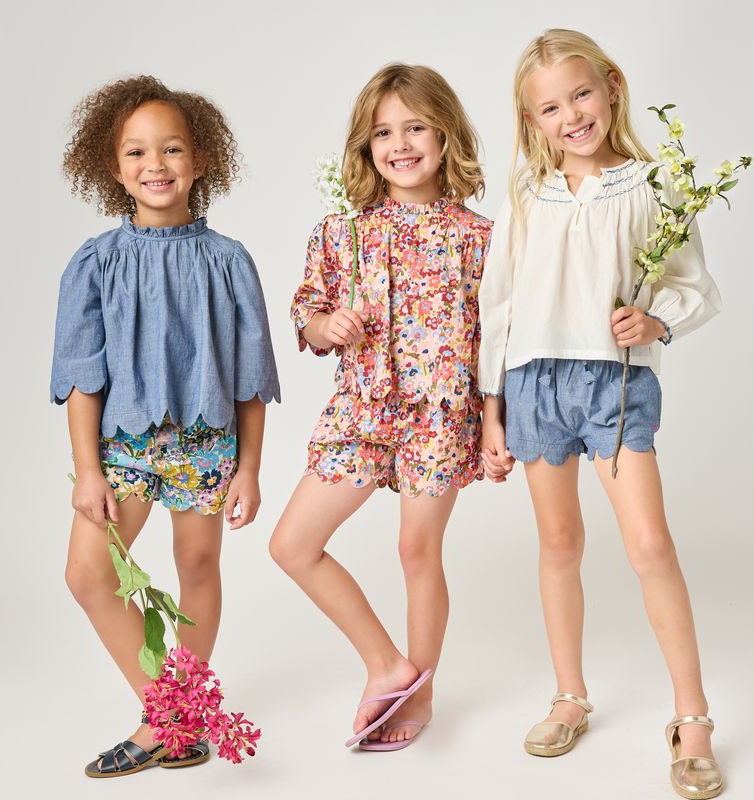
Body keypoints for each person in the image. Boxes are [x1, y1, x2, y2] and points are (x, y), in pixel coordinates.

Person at [479, 29, 723, 799]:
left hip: (615, 382)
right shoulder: (525, 195)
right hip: (533, 383)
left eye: (580, 93)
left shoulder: (656, 183)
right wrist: (492, 409)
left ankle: (692, 720)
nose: (571, 115)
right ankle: (569, 695)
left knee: (649, 544)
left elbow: (695, 285)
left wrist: (656, 324)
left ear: (610, 86)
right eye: (549, 107)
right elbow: (500, 305)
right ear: (532, 121)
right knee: (559, 541)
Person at [52, 75, 280, 777]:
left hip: (207, 444)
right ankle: (175, 717)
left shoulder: (229, 262)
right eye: (138, 152)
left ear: (202, 160)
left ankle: (173, 718)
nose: (157, 164)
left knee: (198, 565)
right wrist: (89, 469)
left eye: (173, 148)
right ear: (114, 168)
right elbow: (83, 376)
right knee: (89, 575)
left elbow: (249, 379)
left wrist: (250, 467)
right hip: (123, 447)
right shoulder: (95, 264)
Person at [270, 63, 491, 751]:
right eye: (383, 132)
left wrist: (494, 426)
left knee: (417, 549)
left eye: (416, 127)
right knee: (292, 545)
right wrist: (325, 327)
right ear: (366, 148)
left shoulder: (480, 237)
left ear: (446, 134)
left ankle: (420, 695)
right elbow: (307, 312)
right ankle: (387, 665)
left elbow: (499, 342)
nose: (400, 144)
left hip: (440, 414)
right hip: (362, 412)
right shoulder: (341, 232)